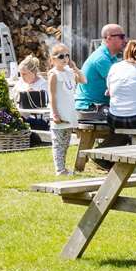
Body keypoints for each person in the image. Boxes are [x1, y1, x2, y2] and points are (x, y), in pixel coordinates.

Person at [46, 43, 84, 175]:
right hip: (59, 111)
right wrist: (55, 113)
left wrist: (75, 68)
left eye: (67, 55)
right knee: (58, 142)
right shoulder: (54, 74)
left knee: (66, 141)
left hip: (69, 111)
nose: (65, 59)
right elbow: (52, 95)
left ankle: (63, 168)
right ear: (53, 59)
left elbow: (84, 80)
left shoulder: (70, 72)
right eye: (61, 56)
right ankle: (60, 169)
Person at [77, 24, 126, 114]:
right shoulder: (101, 59)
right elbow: (121, 84)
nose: (125, 40)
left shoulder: (112, 58)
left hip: (99, 106)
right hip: (90, 108)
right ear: (108, 38)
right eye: (121, 37)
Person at [14, 54, 50, 131]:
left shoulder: (43, 85)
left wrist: (34, 95)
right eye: (20, 73)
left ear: (33, 72)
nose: (22, 76)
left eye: (24, 74)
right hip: (21, 116)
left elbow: (48, 105)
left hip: (39, 120)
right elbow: (12, 98)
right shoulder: (20, 82)